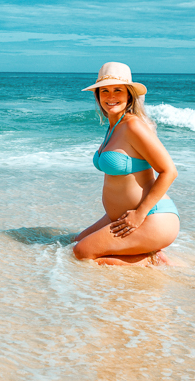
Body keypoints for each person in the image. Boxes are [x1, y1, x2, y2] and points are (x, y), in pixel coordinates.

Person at [73, 62, 180, 266]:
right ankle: (144, 252)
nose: (110, 96)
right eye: (104, 91)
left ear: (129, 95)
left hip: (151, 217)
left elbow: (169, 171)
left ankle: (151, 259)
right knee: (75, 242)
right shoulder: (114, 125)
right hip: (122, 217)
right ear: (98, 96)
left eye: (117, 90)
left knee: (81, 252)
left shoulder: (132, 125)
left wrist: (139, 215)